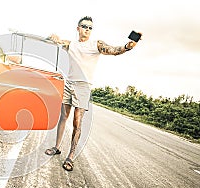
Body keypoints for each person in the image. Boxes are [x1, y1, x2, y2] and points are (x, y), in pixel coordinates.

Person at [45, 16, 140, 171]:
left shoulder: (96, 44)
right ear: (78, 28)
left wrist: (127, 46)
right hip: (69, 84)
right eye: (84, 26)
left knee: (77, 122)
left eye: (90, 27)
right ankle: (57, 147)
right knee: (63, 117)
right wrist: (54, 37)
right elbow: (57, 41)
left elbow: (113, 51)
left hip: (83, 86)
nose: (87, 29)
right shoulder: (71, 44)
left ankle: (70, 156)